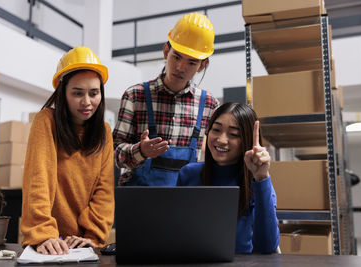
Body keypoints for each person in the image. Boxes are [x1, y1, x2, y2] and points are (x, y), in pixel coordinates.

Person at [21, 47, 115, 255]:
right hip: (48, 241)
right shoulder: (46, 121)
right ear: (62, 92)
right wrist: (43, 233)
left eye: (94, 93)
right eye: (77, 93)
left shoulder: (104, 131)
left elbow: (104, 191)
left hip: (82, 245)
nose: (87, 102)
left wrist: (92, 237)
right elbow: (38, 180)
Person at [113, 12, 219, 186]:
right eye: (176, 56)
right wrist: (141, 151)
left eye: (191, 62)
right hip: (137, 204)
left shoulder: (209, 105)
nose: (180, 67)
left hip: (184, 204)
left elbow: (218, 157)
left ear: (202, 65)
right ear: (165, 52)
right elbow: (115, 154)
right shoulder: (135, 96)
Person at [177, 102, 279, 254]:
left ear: (247, 140)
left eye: (233, 134)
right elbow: (176, 235)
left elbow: (267, 247)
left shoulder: (257, 182)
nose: (221, 140)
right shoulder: (188, 174)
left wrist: (261, 177)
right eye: (216, 130)